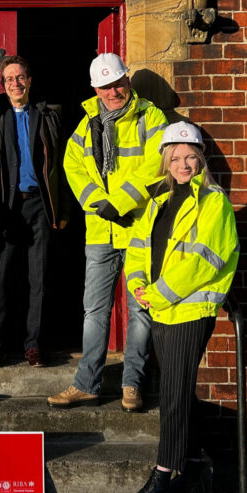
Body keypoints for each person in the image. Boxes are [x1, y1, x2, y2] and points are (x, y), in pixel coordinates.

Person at [119, 121, 239, 493]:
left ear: (201, 159)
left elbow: (204, 261)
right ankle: (191, 471)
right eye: (175, 157)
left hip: (189, 312)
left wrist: (155, 293)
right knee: (179, 391)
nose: (183, 164)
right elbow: (138, 249)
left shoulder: (213, 201)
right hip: (160, 310)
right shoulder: (157, 201)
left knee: (171, 394)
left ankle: (163, 478)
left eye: (190, 157)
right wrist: (138, 283)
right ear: (165, 160)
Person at [48, 53, 167, 412]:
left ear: (127, 81)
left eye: (117, 83)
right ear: (95, 89)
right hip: (101, 230)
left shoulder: (151, 116)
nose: (112, 91)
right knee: (94, 311)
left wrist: (123, 201)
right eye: (105, 86)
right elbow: (72, 165)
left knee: (139, 309)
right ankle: (87, 384)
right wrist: (97, 202)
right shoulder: (87, 124)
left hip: (139, 228)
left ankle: (133, 385)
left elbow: (160, 162)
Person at [0, 55, 71, 368]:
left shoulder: (48, 115)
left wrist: (62, 209)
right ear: (3, 85)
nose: (15, 84)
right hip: (7, 207)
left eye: (20, 78)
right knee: (2, 277)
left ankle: (34, 345)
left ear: (29, 80)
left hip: (40, 206)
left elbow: (61, 167)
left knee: (39, 278)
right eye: (8, 80)